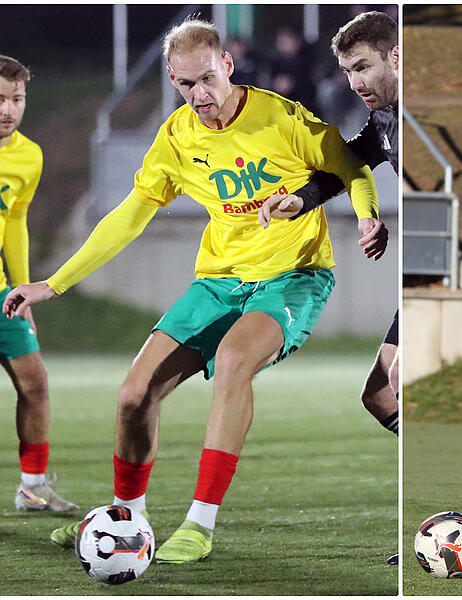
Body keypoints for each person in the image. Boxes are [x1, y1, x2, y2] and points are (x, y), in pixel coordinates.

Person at [3, 17, 379, 564]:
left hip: (293, 276)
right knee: (134, 395)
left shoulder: (279, 116)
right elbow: (129, 215)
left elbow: (351, 165)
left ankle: (200, 523)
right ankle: (125, 518)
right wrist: (55, 284)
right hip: (218, 281)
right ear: (172, 80)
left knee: (231, 362)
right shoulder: (178, 135)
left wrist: (368, 216)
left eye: (207, 79)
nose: (198, 94)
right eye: (184, 84)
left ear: (226, 65)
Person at [258, 10, 398, 565]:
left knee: (407, 385)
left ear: (397, 57)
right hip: (420, 274)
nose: (354, 82)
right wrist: (301, 199)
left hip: (449, 273)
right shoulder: (386, 118)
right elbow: (351, 160)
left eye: (363, 67)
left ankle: (440, 514)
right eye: (346, 72)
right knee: (380, 394)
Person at [0, 55, 78, 514]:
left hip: (0, 294)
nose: (7, 109)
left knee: (35, 385)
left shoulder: (29, 156)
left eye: (16, 99)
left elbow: (14, 222)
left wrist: (22, 289)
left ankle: (32, 488)